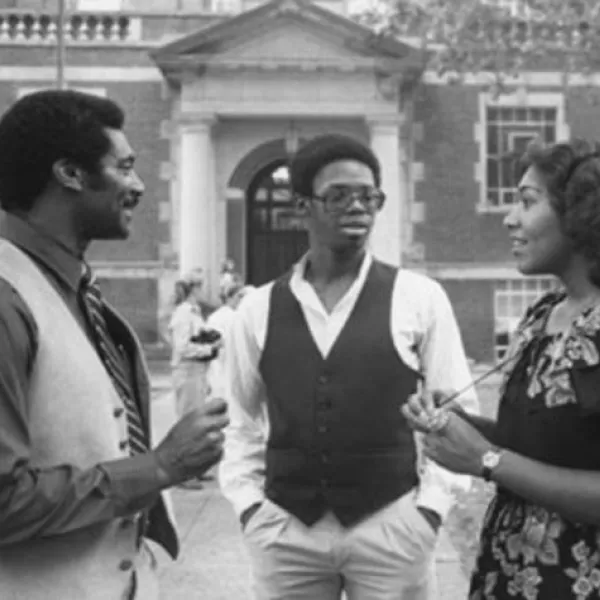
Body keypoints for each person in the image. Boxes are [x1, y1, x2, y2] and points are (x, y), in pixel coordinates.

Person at [219, 133, 479, 600]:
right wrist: (250, 509)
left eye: (368, 196)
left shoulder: (418, 297)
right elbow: (238, 420)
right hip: (286, 530)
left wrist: (430, 511)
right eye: (338, 195)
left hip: (392, 526)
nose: (357, 206)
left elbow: (456, 410)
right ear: (302, 207)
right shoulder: (256, 309)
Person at [0, 89, 229, 599]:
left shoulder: (77, 291)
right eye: (124, 167)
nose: (140, 185)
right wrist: (160, 467)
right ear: (70, 174)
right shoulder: (6, 300)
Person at [403, 138, 600, 600]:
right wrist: (460, 425)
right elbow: (544, 443)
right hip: (509, 575)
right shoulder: (542, 316)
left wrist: (485, 461)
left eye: (527, 202)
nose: (510, 218)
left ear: (580, 214)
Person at [168, 269, 221, 420]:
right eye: (201, 286)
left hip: (198, 373)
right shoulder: (184, 313)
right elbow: (182, 347)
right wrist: (210, 348)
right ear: (194, 289)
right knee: (189, 419)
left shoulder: (194, 311)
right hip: (188, 373)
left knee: (197, 418)